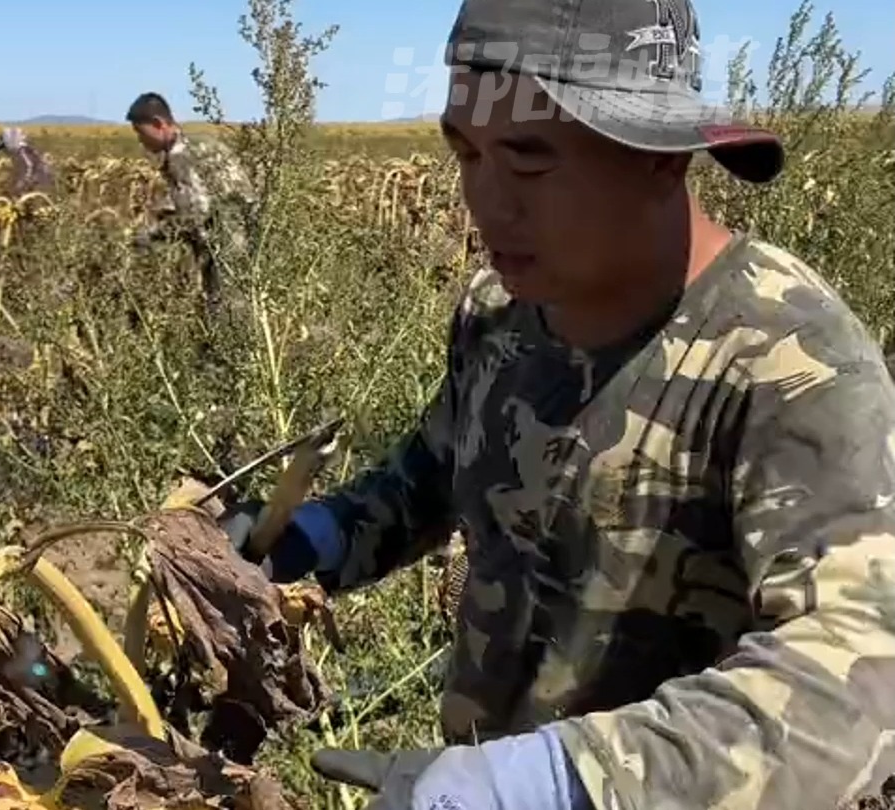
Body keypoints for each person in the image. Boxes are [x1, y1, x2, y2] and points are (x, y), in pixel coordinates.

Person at [222, 0, 895, 807]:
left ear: (661, 158)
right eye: (466, 154)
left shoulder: (788, 362)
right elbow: (432, 477)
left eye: (530, 161)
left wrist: (549, 782)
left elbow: (853, 672)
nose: (488, 203)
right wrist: (307, 541)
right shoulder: (500, 314)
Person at [125, 92, 258, 306]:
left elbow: (194, 214)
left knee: (226, 317)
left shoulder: (180, 156)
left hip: (225, 251)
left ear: (159, 124)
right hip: (244, 243)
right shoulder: (200, 143)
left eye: (140, 132)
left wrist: (148, 239)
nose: (140, 140)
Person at [0, 126, 54, 197]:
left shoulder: (22, 151)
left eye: (4, 147)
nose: (4, 151)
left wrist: (19, 185)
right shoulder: (20, 151)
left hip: (39, 180)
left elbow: (28, 167)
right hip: (36, 178)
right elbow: (19, 170)